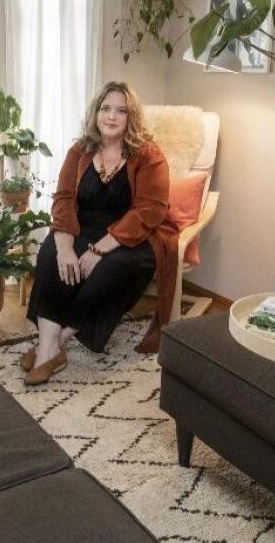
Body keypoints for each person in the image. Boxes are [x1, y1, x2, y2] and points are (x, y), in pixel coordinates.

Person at [21, 81, 179, 386]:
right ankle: (49, 349)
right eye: (106, 108)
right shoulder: (80, 150)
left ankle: (52, 344)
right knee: (52, 253)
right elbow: (64, 199)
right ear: (96, 113)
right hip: (83, 225)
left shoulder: (148, 155)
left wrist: (98, 250)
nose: (111, 116)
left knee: (113, 269)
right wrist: (67, 247)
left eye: (121, 110)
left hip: (132, 235)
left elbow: (150, 210)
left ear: (131, 117)